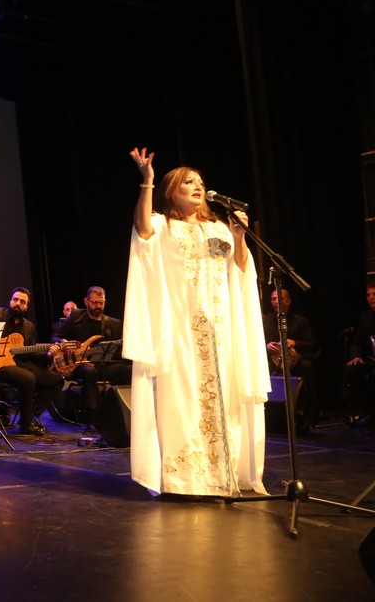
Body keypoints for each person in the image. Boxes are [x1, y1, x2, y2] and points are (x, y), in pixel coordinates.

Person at [123, 148, 269, 497]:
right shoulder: (164, 225)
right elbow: (142, 231)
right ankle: (189, 478)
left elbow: (240, 269)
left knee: (225, 397)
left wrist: (239, 237)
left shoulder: (218, 227)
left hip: (222, 330)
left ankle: (225, 475)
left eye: (200, 182)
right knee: (185, 400)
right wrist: (147, 181)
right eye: (188, 182)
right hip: (183, 330)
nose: (198, 186)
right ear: (172, 190)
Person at [0, 287, 64, 436]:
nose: (17, 303)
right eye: (15, 299)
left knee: (56, 380)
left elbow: (32, 354)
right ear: (11, 300)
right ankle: (26, 425)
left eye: (22, 302)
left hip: (21, 364)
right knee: (28, 378)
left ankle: (29, 414)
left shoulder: (29, 326)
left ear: (26, 306)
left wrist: (49, 354)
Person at [59, 286, 131, 420]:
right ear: (86, 301)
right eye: (94, 302)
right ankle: (95, 417)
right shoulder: (75, 316)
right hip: (79, 364)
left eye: (101, 303)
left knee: (128, 370)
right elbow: (56, 337)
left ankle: (122, 413)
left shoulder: (113, 323)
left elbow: (118, 350)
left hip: (103, 365)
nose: (98, 306)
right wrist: (63, 342)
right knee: (89, 372)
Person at [262, 288, 320, 429]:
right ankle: (269, 414)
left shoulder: (300, 321)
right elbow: (254, 342)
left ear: (288, 301)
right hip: (273, 362)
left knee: (307, 366)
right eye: (273, 299)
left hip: (294, 362)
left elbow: (312, 343)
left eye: (279, 298)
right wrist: (267, 346)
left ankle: (310, 409)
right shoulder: (265, 321)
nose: (276, 302)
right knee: (262, 369)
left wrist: (294, 343)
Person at [343, 283, 375, 424]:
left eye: (374, 294)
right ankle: (359, 411)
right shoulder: (365, 317)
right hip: (371, 359)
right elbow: (357, 341)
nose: (371, 297)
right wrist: (356, 356)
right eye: (368, 295)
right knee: (351, 369)